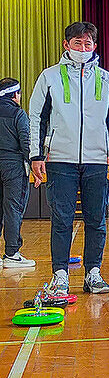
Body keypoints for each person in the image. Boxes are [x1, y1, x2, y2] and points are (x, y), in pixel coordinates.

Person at [29, 21, 109, 294]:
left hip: (97, 161)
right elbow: (37, 117)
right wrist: (36, 155)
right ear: (66, 45)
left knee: (96, 219)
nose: (83, 49)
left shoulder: (106, 79)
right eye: (77, 43)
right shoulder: (49, 77)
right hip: (60, 160)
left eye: (87, 44)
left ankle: (93, 272)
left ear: (95, 46)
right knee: (62, 219)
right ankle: (60, 274)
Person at [0, 79, 34, 267]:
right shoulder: (18, 114)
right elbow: (26, 142)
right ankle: (12, 253)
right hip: (13, 166)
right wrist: (35, 166)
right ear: (14, 94)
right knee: (13, 208)